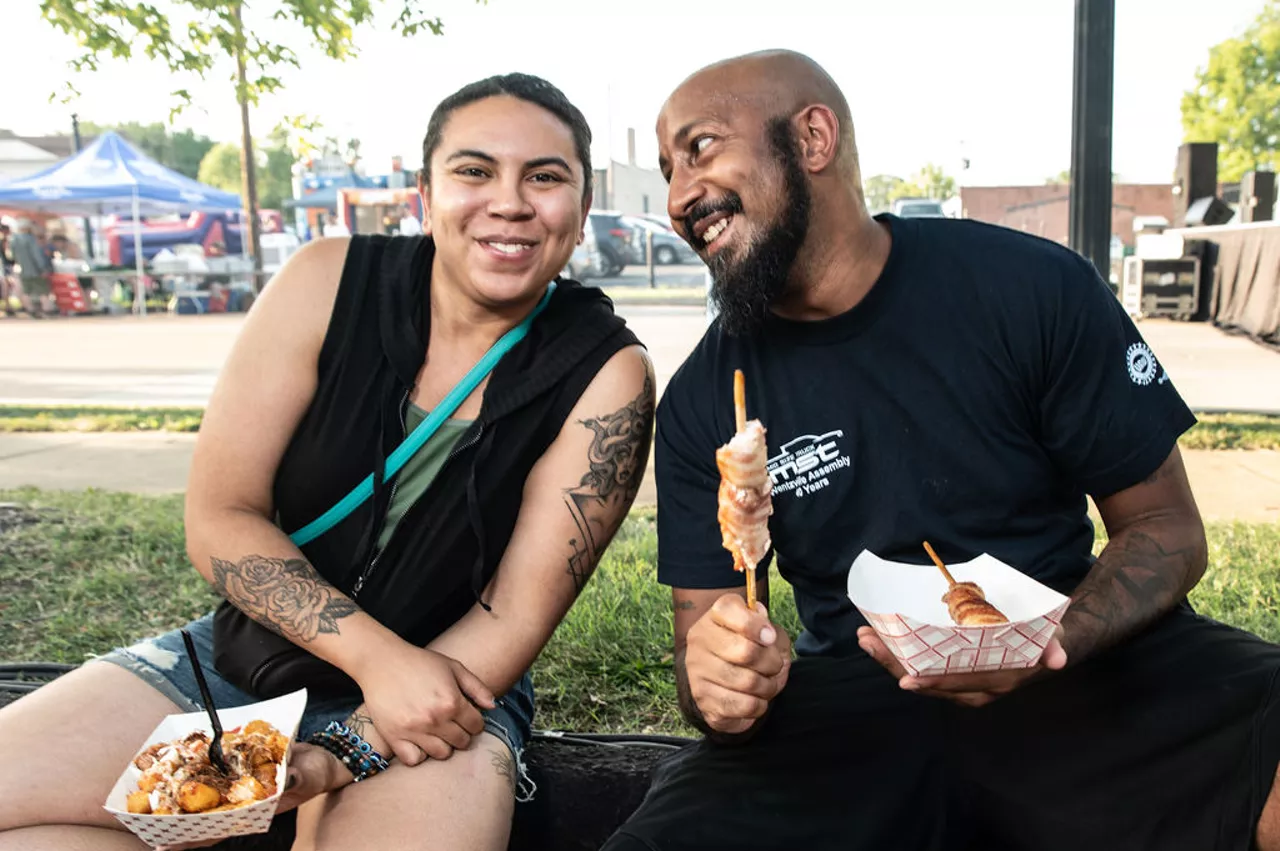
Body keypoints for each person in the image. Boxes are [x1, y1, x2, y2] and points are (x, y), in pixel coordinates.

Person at [603, 50, 1280, 851]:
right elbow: (700, 642)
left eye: (701, 148)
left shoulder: (1029, 289)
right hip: (854, 698)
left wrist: (1049, 644)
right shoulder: (707, 397)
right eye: (668, 168)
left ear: (812, 137)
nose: (679, 196)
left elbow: (1168, 529)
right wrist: (715, 679)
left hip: (1081, 661)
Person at [0, 71, 655, 851]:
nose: (509, 201)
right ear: (424, 196)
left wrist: (337, 755)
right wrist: (375, 660)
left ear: (581, 214)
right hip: (246, 652)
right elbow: (220, 516)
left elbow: (510, 616)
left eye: (545, 178)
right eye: (474, 170)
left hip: (450, 685)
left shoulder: (608, 372)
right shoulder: (325, 280)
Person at [8, 219, 51, 318]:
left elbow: (13, 256)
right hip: (35, 270)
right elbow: (37, 256)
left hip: (23, 270)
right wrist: (43, 269)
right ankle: (46, 310)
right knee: (43, 291)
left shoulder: (13, 240)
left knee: (26, 291)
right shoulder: (31, 239)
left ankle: (30, 310)